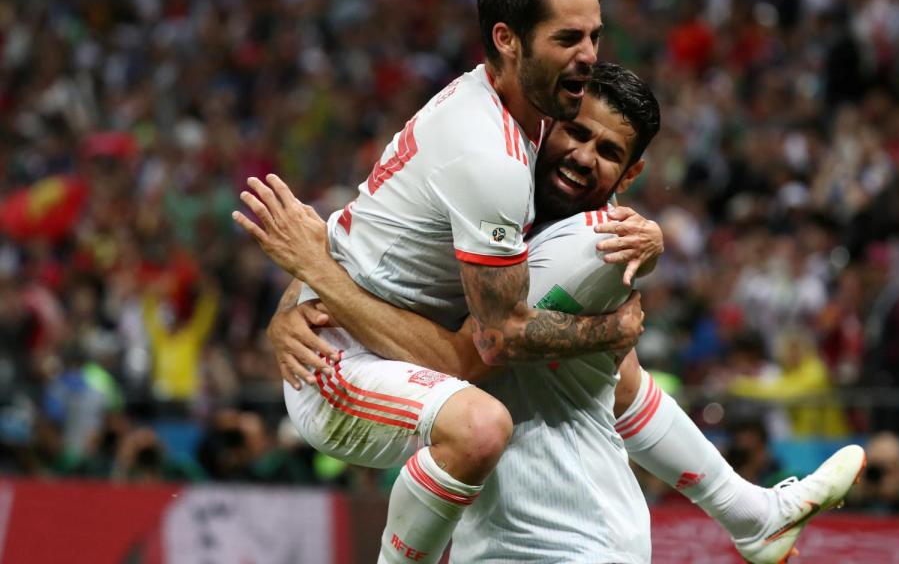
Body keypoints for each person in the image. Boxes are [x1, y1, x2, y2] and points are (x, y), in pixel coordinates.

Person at [246, 62, 865, 563]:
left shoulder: (594, 244)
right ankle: (752, 517)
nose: (584, 156)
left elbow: (474, 353)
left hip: (563, 540)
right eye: (577, 131)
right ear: (550, 124)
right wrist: (298, 297)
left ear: (632, 170)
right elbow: (367, 247)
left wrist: (319, 276)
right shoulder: (497, 187)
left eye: (609, 150)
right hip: (534, 537)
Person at [234, 0, 653, 562]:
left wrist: (654, 239)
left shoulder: (526, 112)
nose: (588, 56)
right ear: (507, 40)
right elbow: (487, 346)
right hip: (337, 366)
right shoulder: (489, 152)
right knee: (480, 426)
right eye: (567, 39)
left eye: (593, 37)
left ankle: (747, 513)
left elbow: (351, 235)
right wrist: (613, 329)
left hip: (380, 339)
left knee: (611, 376)